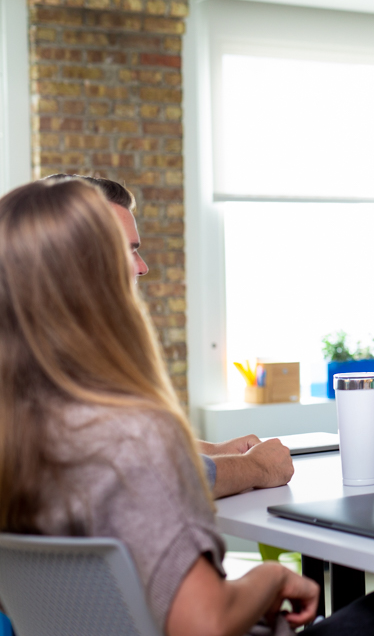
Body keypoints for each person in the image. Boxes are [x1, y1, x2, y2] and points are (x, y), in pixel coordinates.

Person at [0, 178, 374, 636]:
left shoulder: (21, 431)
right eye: (127, 252)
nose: (143, 267)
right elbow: (205, 623)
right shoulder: (136, 434)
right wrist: (269, 577)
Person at [44, 173, 292, 499]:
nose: (142, 267)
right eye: (128, 250)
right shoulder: (56, 361)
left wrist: (217, 450)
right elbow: (158, 476)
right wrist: (258, 468)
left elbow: (127, 443)